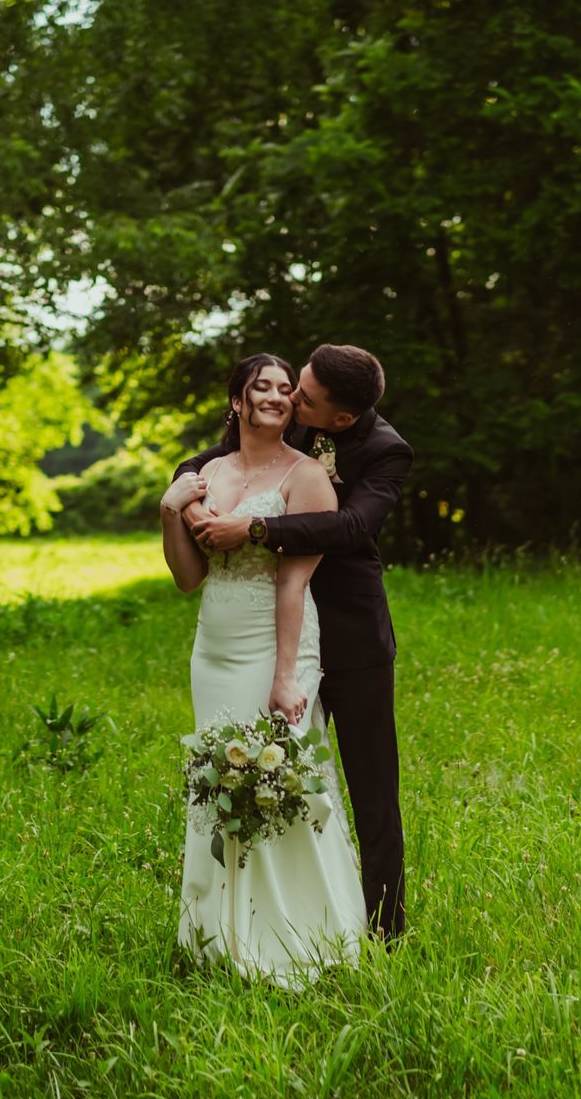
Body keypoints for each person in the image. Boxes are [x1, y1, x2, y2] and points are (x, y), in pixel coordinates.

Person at [174, 343, 412, 940]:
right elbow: (223, 450)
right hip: (258, 629)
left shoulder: (386, 451)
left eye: (303, 396)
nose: (290, 399)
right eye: (292, 386)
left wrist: (252, 527)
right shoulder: (291, 416)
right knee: (256, 772)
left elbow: (352, 527)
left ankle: (384, 927)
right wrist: (183, 484)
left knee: (369, 784)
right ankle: (252, 921)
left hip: (348, 632)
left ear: (340, 420)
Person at [159, 353, 363, 984]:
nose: (276, 397)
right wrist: (170, 512)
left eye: (284, 389)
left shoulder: (308, 478)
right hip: (212, 652)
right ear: (237, 401)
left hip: (276, 649)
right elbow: (189, 578)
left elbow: (293, 587)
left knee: (283, 788)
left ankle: (298, 938)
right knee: (218, 789)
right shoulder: (207, 475)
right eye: (262, 388)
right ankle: (218, 936)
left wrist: (285, 677)